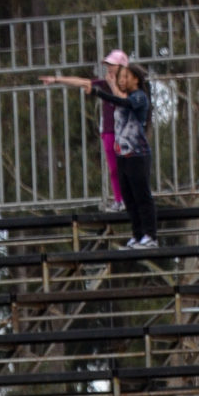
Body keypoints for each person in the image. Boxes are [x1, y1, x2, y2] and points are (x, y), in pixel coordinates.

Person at [41, 48, 129, 211]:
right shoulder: (103, 83)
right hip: (109, 131)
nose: (109, 68)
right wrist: (56, 79)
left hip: (126, 132)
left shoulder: (130, 85)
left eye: (112, 65)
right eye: (108, 65)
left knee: (129, 167)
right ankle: (119, 200)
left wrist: (112, 85)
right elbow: (81, 82)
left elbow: (124, 101)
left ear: (122, 66)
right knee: (114, 169)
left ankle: (131, 198)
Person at [92, 63, 157, 248]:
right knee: (129, 198)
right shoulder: (124, 97)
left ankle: (150, 236)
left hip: (138, 154)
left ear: (135, 79)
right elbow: (118, 100)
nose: (122, 80)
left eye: (125, 76)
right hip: (123, 155)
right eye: (120, 77)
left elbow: (124, 103)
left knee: (142, 196)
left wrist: (99, 92)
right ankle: (137, 235)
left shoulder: (139, 97)